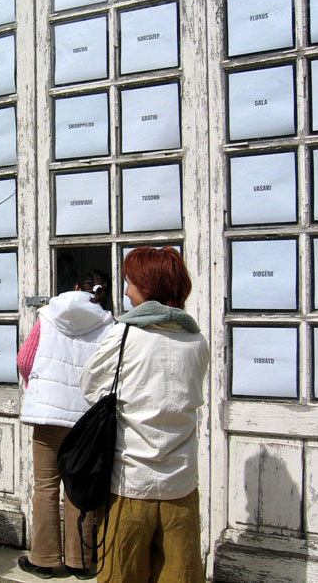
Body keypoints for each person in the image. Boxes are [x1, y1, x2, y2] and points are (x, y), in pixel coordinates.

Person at [80, 247, 210, 583]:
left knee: (121, 575)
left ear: (148, 287)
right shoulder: (197, 341)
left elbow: (91, 387)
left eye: (130, 282)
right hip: (180, 486)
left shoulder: (124, 335)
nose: (125, 291)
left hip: (129, 483)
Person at [17, 270, 115, 580]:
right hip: (86, 420)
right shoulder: (109, 324)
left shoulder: (47, 314)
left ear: (74, 287)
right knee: (79, 486)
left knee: (45, 486)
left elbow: (24, 359)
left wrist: (37, 387)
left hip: (48, 416)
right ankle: (81, 561)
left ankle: (44, 560)